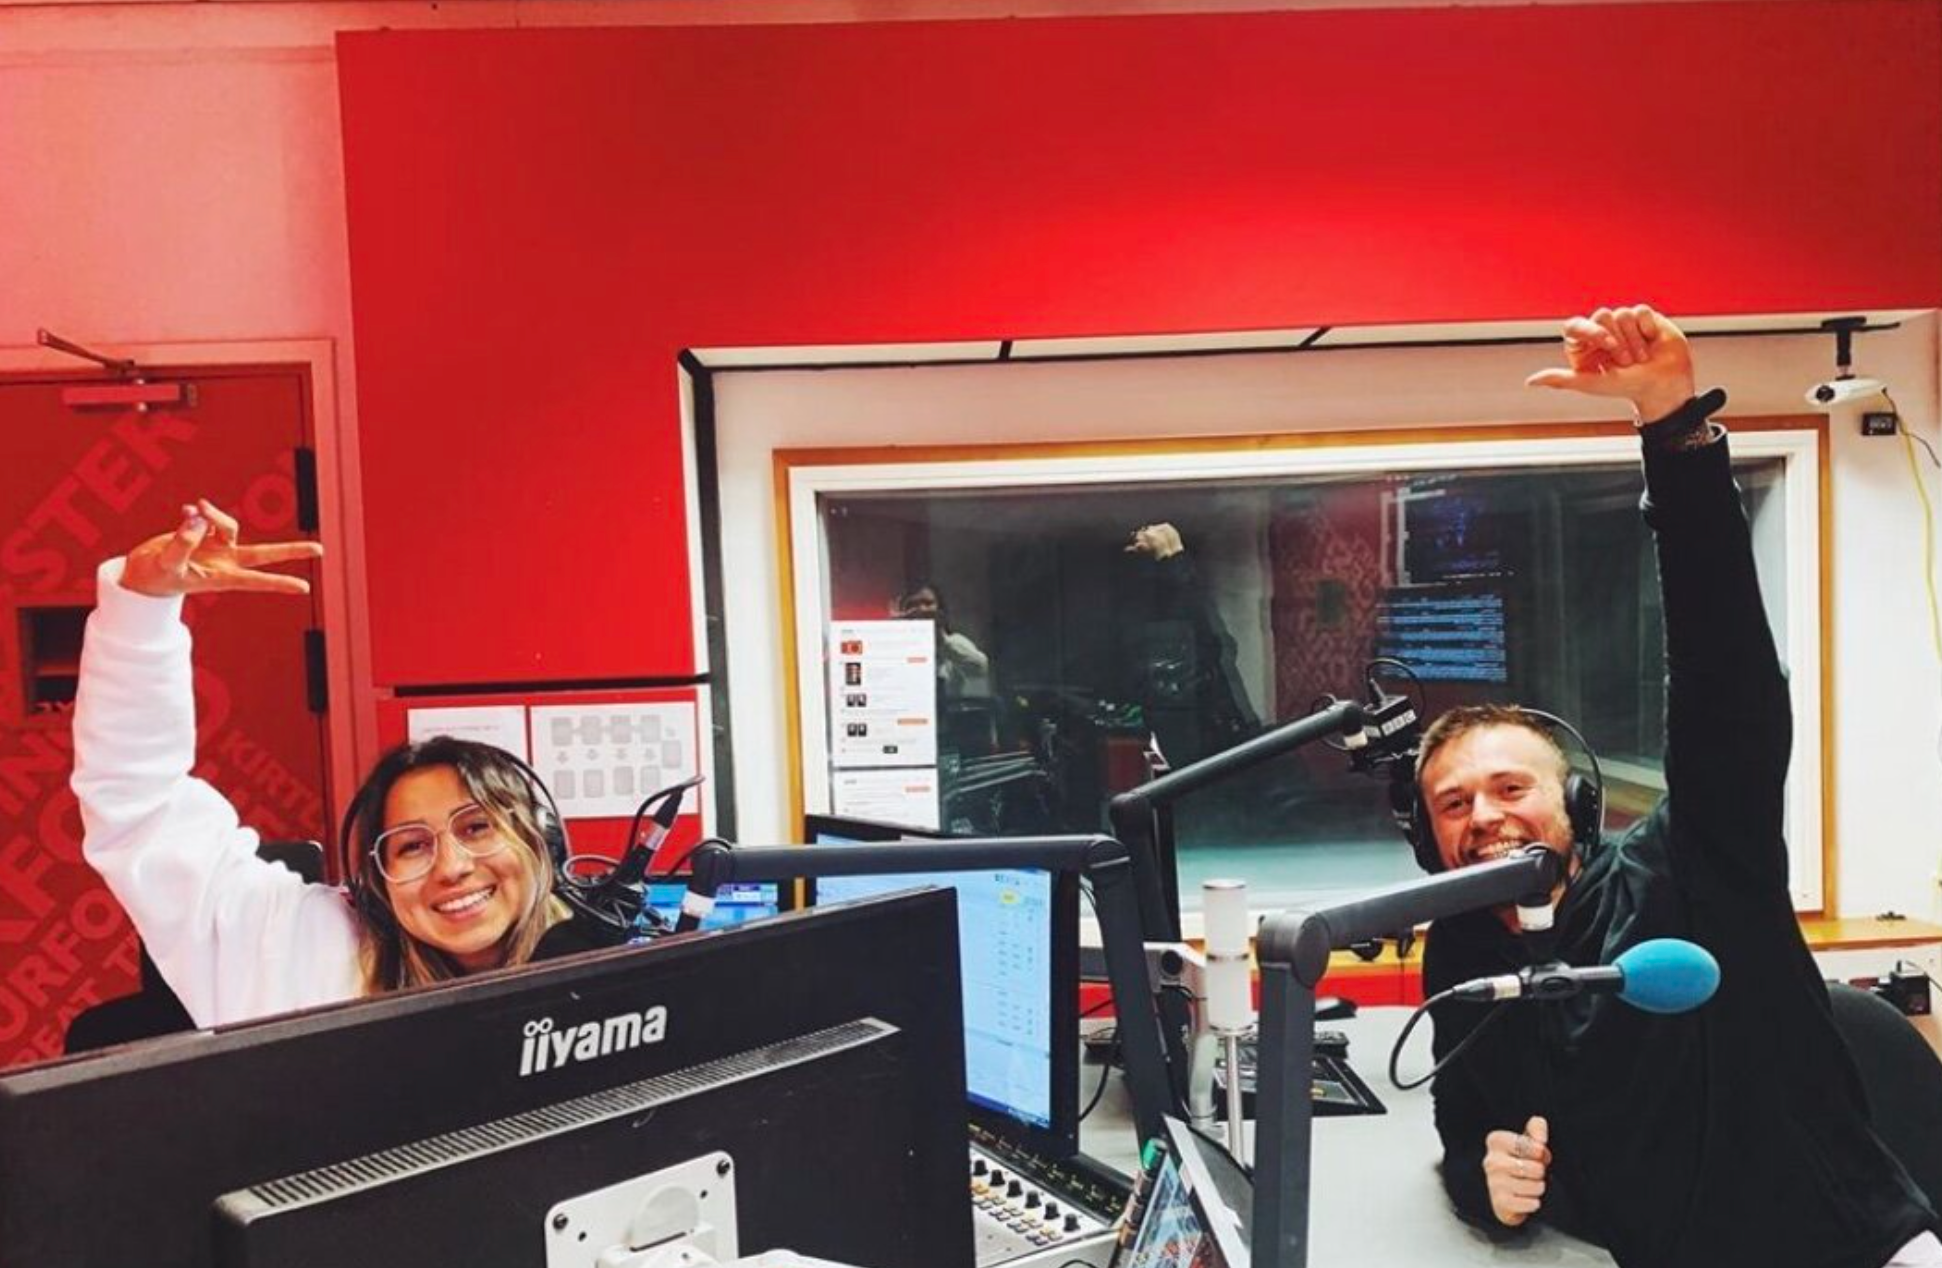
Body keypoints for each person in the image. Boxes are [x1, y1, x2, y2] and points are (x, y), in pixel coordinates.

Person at [1419, 306, 1940, 1267]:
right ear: (1429, 843)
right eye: (1454, 805)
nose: (1485, 816)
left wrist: (1671, 430)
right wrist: (1482, 1177)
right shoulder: (1463, 952)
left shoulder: (1692, 868)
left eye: (1509, 786)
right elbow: (1465, 1123)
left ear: (1576, 803)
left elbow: (1728, 685)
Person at [71, 499, 597, 1028]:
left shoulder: (615, 955)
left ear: (538, 839)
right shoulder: (302, 951)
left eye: (477, 827)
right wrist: (141, 608)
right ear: (378, 884)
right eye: (412, 846)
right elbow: (141, 804)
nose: (452, 867)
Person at [1123, 521, 1261, 768]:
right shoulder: (1145, 617)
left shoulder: (1199, 645)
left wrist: (1173, 558)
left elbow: (1215, 646)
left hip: (1213, 740)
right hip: (1191, 744)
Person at [896, 580, 992, 699]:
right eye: (912, 605)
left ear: (939, 608)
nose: (921, 609)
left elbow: (980, 669)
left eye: (928, 603)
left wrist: (942, 641)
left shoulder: (954, 641)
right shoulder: (894, 646)